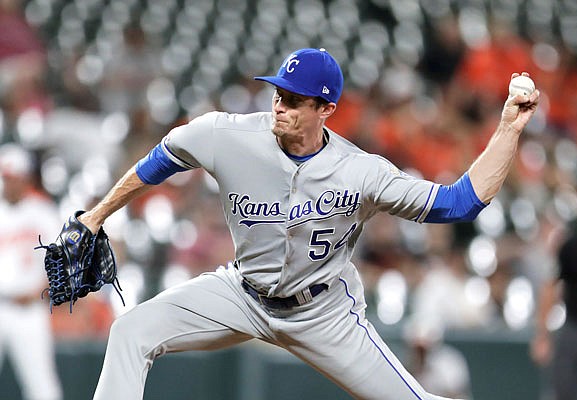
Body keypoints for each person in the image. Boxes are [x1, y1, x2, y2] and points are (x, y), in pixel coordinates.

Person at [72, 48, 538, 400]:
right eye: (278, 95)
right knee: (131, 330)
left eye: (295, 101)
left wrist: (508, 131)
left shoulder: (360, 171)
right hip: (242, 293)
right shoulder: (226, 135)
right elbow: (160, 160)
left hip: (324, 313)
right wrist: (95, 216)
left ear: (326, 109)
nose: (280, 106)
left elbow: (459, 203)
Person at [0, 144, 63, 400]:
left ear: (26, 178)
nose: (8, 183)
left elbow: (60, 263)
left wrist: (42, 289)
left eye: (13, 178)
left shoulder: (43, 213)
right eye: (5, 178)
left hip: (29, 309)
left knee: (42, 388)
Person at [531, 184, 577, 400]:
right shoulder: (570, 246)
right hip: (574, 326)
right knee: (564, 390)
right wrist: (542, 334)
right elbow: (550, 287)